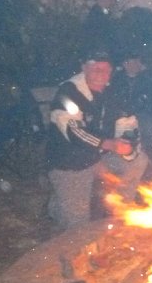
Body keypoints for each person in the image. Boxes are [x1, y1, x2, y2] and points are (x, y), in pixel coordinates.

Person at [46, 50, 144, 230]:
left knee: (138, 159)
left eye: (105, 70)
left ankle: (119, 210)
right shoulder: (68, 92)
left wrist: (127, 145)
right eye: (96, 69)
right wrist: (109, 144)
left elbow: (128, 121)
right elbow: (73, 131)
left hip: (100, 157)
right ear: (84, 68)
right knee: (78, 226)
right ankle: (59, 204)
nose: (101, 74)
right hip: (70, 162)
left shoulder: (113, 91)